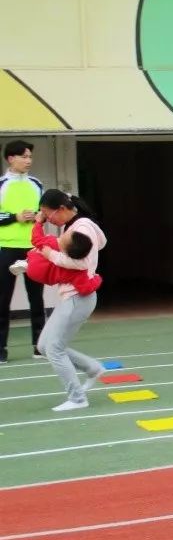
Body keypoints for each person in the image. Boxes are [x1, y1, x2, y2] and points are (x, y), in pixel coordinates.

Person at [34, 190, 107, 411]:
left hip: (79, 297)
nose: (48, 219)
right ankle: (92, 368)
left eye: (48, 215)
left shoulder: (82, 228)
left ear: (62, 209)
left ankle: (77, 398)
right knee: (44, 346)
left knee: (54, 348)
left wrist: (51, 256)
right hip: (72, 296)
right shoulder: (75, 227)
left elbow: (82, 264)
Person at [0, 140, 46, 363]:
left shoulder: (37, 184)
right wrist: (14, 218)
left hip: (33, 249)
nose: (28, 161)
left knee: (37, 298)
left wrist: (39, 216)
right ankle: (1, 350)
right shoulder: (1, 185)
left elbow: (46, 213)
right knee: (2, 300)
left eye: (30, 157)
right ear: (11, 159)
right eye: (24, 156)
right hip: (6, 248)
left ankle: (40, 347)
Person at [9, 219, 101, 296]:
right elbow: (85, 289)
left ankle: (26, 262)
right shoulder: (77, 272)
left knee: (37, 251)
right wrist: (97, 278)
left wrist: (38, 223)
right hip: (40, 276)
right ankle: (27, 265)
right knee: (52, 268)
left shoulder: (52, 242)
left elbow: (36, 238)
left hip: (34, 262)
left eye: (65, 234)